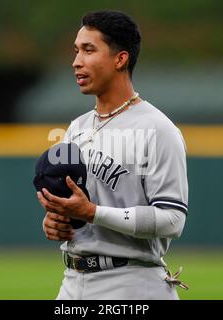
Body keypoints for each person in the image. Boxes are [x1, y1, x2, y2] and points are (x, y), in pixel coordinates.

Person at [37, 10, 189, 300]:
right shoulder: (77, 128)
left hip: (131, 284)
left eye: (89, 50)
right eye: (76, 50)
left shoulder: (158, 129)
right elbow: (76, 210)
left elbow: (172, 219)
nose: (76, 61)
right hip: (71, 282)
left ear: (121, 59)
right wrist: (56, 220)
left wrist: (93, 213)